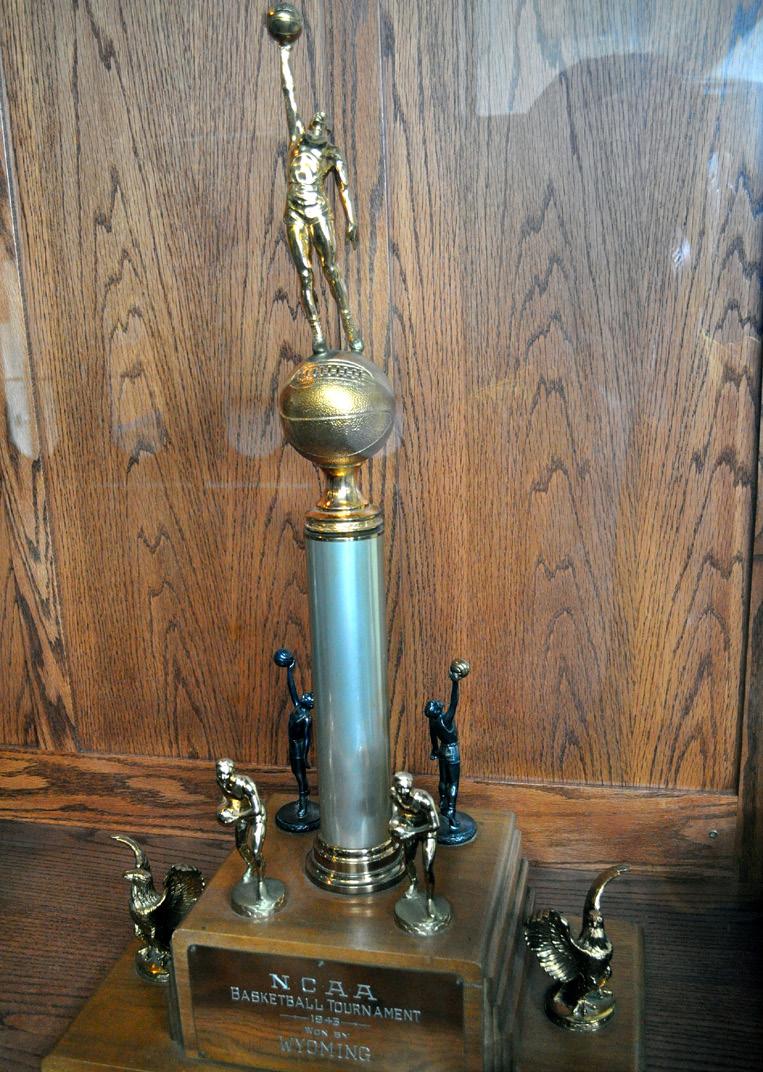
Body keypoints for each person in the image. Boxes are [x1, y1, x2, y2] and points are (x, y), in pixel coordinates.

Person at [278, 42, 363, 355]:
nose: (316, 124)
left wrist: (351, 221)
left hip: (318, 212)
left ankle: (349, 325)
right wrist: (284, 54)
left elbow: (344, 188)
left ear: (326, 132)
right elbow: (289, 94)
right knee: (305, 274)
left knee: (331, 269)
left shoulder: (331, 154)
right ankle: (317, 332)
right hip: (295, 213)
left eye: (321, 124)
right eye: (314, 122)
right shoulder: (297, 141)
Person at [389, 771, 440, 918]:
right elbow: (395, 816)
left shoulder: (423, 799)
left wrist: (412, 832)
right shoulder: (394, 795)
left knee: (428, 867)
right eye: (399, 788)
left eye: (406, 788)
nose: (403, 792)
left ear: (411, 787)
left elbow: (435, 824)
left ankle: (430, 900)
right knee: (407, 860)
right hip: (410, 827)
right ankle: (414, 882)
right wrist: (395, 827)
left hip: (428, 831)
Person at [216, 759, 267, 898]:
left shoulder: (245, 784)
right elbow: (226, 799)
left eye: (226, 774)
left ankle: (261, 881)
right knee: (240, 845)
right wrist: (222, 812)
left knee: (256, 851)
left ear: (232, 772)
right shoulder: (220, 781)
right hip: (240, 814)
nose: (223, 777)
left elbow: (256, 809)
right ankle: (251, 865)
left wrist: (236, 816)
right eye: (220, 774)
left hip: (256, 816)